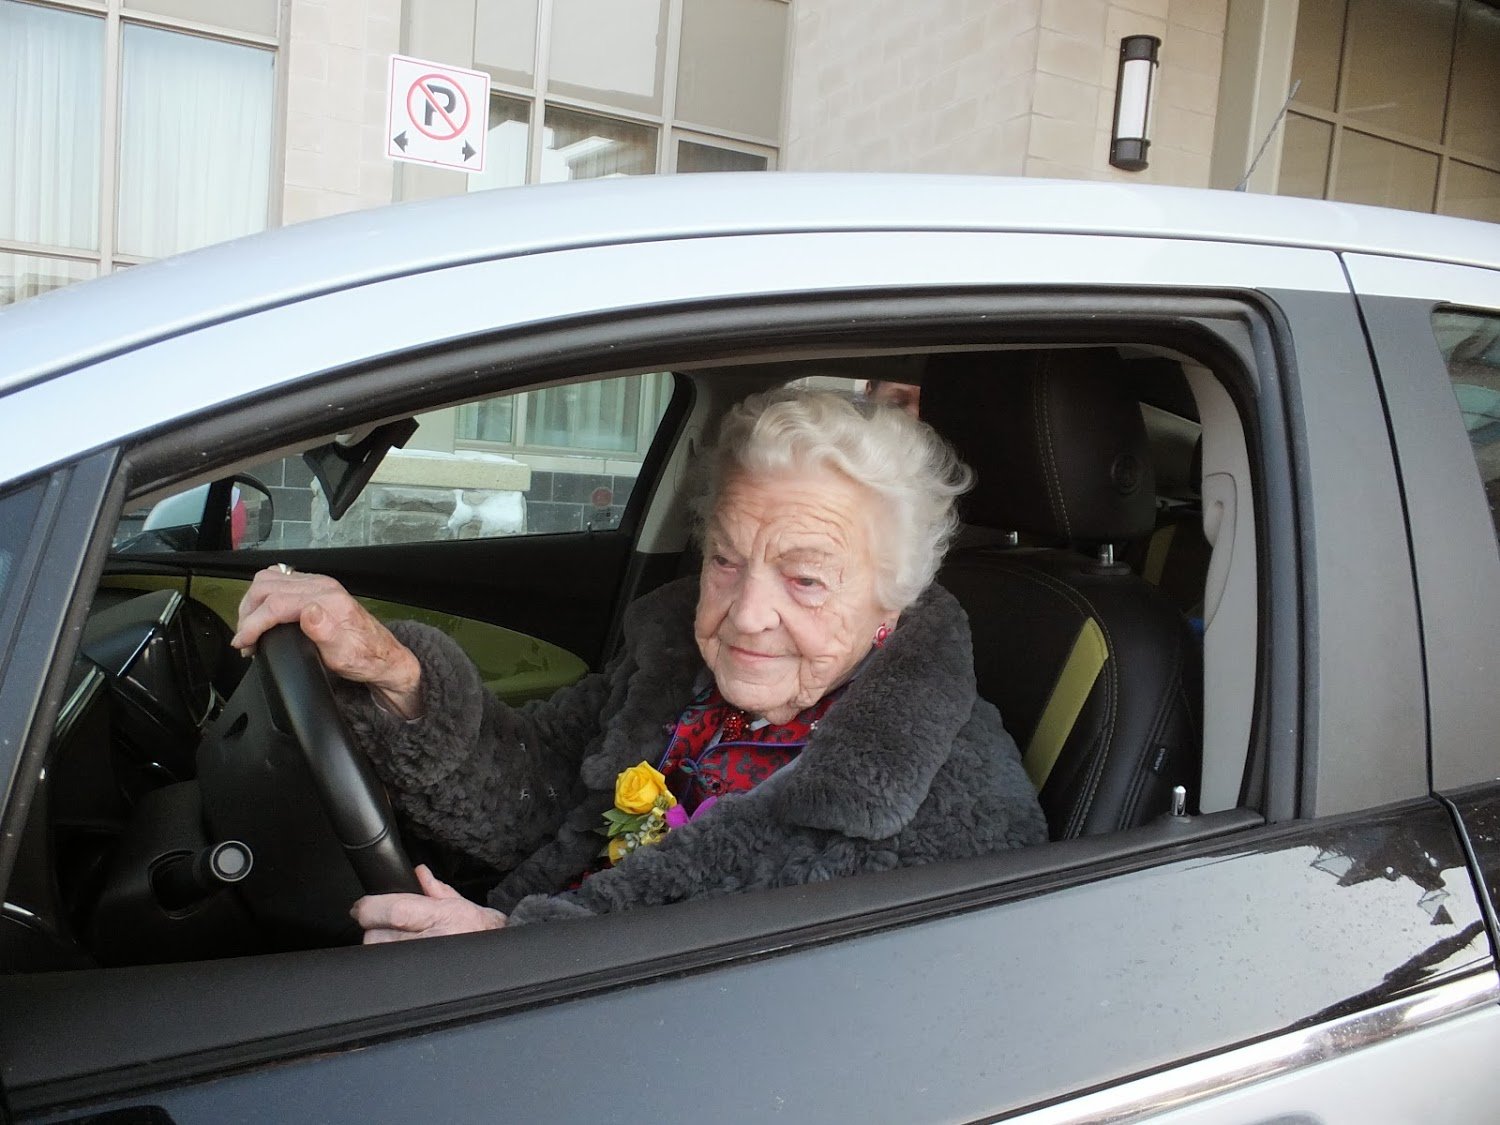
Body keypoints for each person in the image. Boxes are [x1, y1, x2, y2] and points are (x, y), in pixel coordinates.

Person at [231, 389, 1047, 941]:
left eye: (804, 577)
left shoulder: (956, 815)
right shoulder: (674, 670)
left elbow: (776, 1034)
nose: (747, 612)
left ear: (891, 601)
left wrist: (511, 961)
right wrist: (395, 674)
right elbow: (537, 790)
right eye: (727, 560)